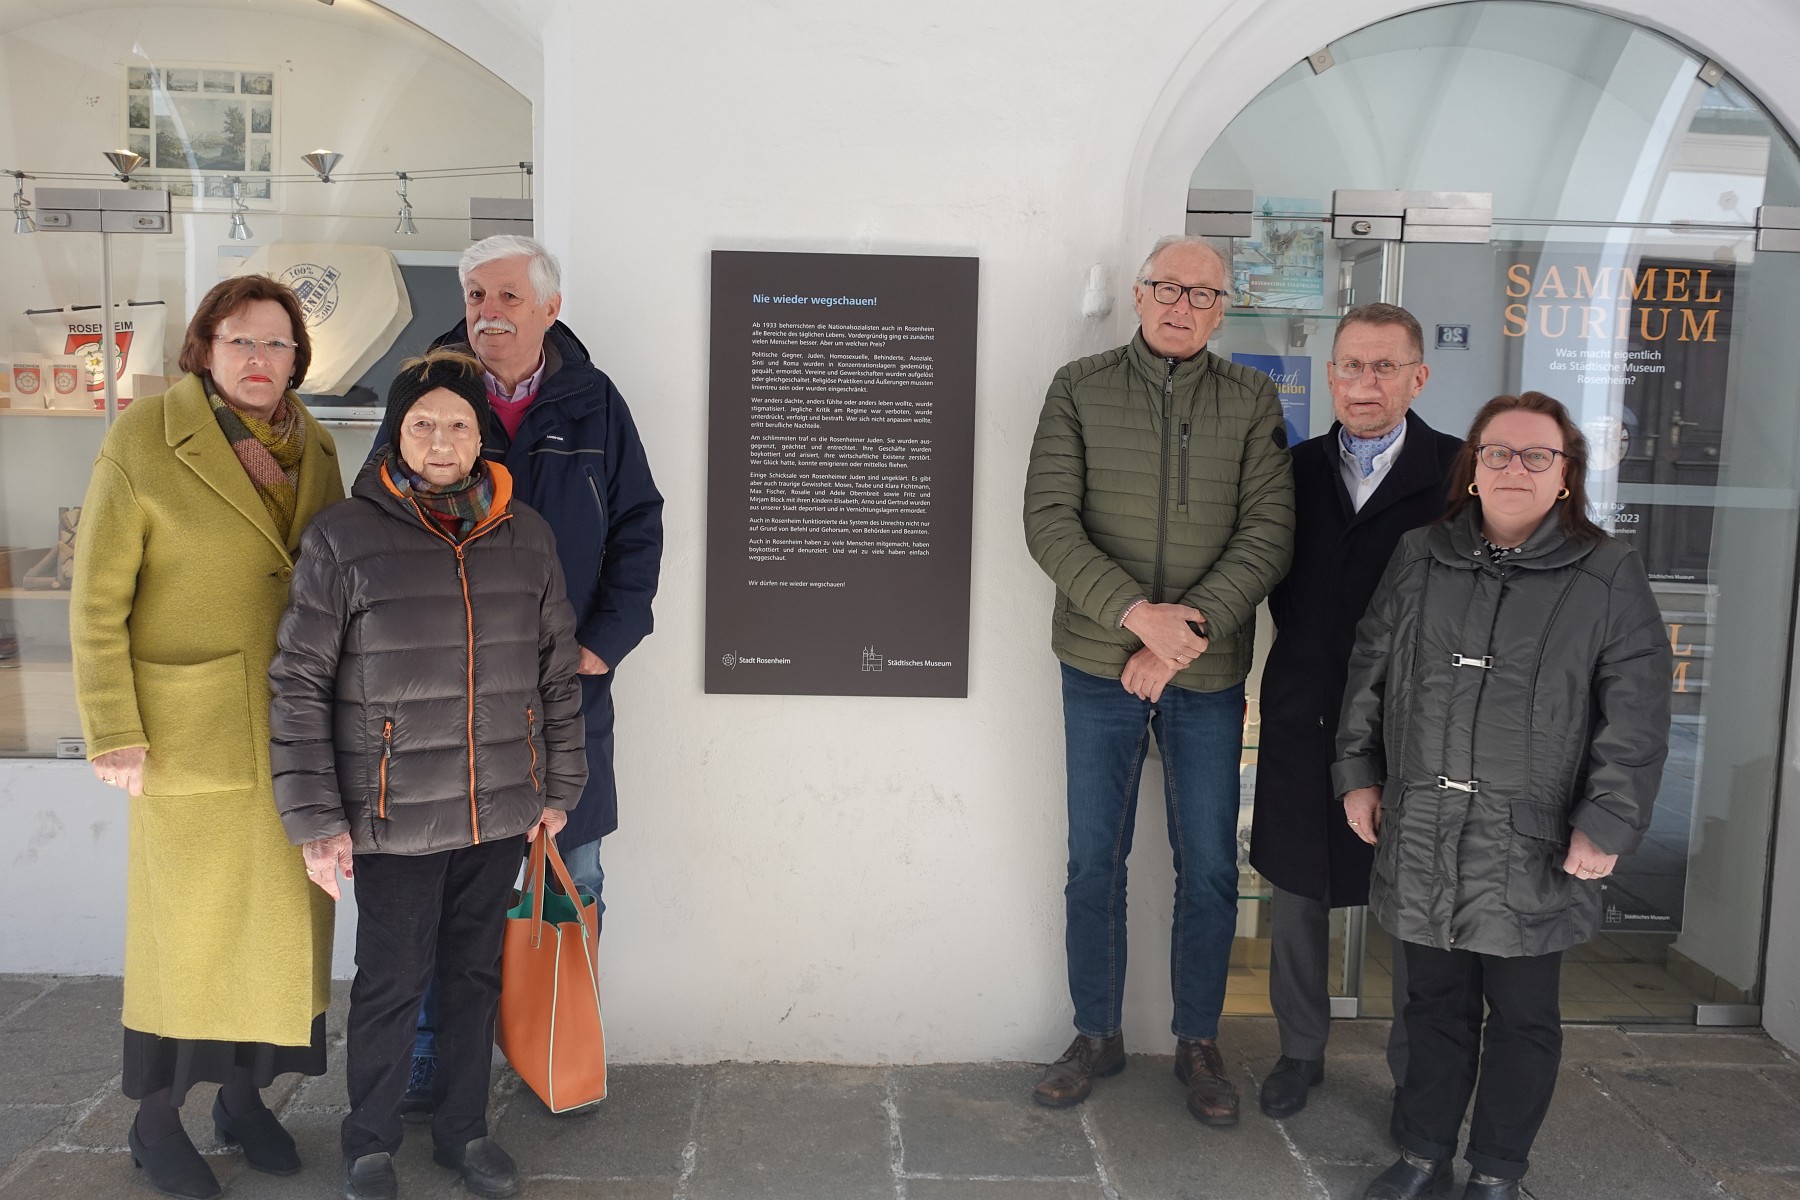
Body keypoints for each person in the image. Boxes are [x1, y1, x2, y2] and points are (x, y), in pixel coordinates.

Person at [1335, 392, 1671, 1200]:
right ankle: (1423, 1156)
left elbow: (1636, 709)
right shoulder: (1421, 554)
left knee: (1523, 1018)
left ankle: (1496, 1172)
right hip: (1425, 825)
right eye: (1497, 452)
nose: (1514, 468)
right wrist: (1358, 773)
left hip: (1533, 839)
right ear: (1474, 468)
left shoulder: (1606, 572)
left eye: (1536, 455)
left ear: (1565, 476)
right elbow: (1370, 669)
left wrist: (1607, 819)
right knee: (1431, 1006)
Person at [269, 349, 587, 1200]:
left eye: (457, 424)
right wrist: (316, 818)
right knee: (392, 982)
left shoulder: (525, 536)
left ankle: (464, 1132)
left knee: (474, 977)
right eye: (422, 424)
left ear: (481, 437)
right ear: (395, 434)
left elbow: (556, 673)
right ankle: (368, 1144)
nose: (440, 441)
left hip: (498, 807)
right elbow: (298, 682)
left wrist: (559, 788)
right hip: (394, 814)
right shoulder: (345, 537)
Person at [70, 275, 344, 1199]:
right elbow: (96, 599)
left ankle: (242, 1099)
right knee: (189, 938)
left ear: (297, 358)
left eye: (277, 343)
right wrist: (112, 725)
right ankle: (155, 1122)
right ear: (204, 348)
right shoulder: (144, 437)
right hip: (187, 732)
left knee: (277, 933)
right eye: (241, 341)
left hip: (295, 733)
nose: (260, 359)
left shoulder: (317, 446)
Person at [383, 235, 663, 1114]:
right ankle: (429, 1054)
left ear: (549, 307)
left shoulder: (595, 402)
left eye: (508, 294)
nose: (489, 311)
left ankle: (555, 1049)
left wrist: (605, 642)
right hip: (450, 696)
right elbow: (377, 523)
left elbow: (639, 527)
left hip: (563, 695)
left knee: (572, 876)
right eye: (475, 294)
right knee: (443, 883)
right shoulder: (427, 395)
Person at [1023, 234, 1295, 1126]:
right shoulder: (1079, 387)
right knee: (1092, 861)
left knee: (1210, 866)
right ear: (1139, 296)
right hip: (1098, 662)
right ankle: (1096, 1034)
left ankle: (1197, 1041)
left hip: (1207, 672)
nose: (1183, 306)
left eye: (1203, 294)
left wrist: (1180, 638)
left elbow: (1268, 534)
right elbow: (1049, 522)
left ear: (1223, 310)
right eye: (1167, 288)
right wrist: (1138, 617)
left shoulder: (1252, 398)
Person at [1247, 303, 1461, 1120]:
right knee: (1297, 889)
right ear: (1330, 374)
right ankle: (1300, 1050)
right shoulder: (1290, 469)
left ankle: (1416, 1072)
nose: (1364, 383)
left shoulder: (1459, 473)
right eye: (1350, 366)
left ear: (1418, 377)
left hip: (1417, 723)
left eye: (1383, 366)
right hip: (1304, 709)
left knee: (1412, 902)